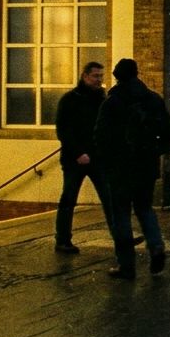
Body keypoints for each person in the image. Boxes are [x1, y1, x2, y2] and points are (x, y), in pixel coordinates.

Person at [93, 58, 170, 279]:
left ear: (117, 76)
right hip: (146, 166)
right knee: (144, 208)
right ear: (137, 74)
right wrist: (156, 151)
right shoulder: (153, 99)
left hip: (119, 168)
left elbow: (100, 135)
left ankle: (126, 264)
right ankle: (156, 245)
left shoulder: (112, 102)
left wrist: (105, 161)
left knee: (120, 213)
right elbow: (169, 131)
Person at [53, 61, 110, 254]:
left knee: (109, 198)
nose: (99, 80)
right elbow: (64, 130)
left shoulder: (101, 98)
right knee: (69, 199)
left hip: (96, 157)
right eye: (96, 76)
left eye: (101, 76)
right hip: (75, 159)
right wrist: (78, 153)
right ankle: (62, 240)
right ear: (85, 76)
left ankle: (120, 236)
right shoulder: (70, 100)